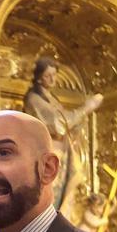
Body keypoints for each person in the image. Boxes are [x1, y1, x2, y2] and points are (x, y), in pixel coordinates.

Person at [23, 57, 103, 221]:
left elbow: (68, 125)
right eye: (47, 76)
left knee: (62, 197)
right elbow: (58, 123)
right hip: (47, 153)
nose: (52, 79)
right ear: (39, 77)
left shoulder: (52, 99)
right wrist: (87, 108)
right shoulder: (34, 99)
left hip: (61, 153)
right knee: (50, 196)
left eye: (54, 75)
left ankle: (58, 227)